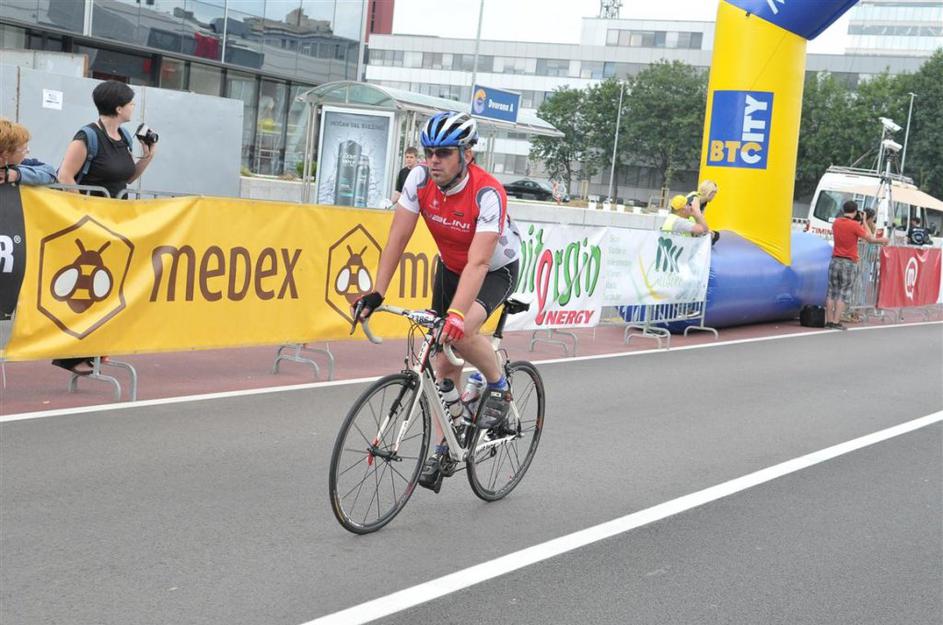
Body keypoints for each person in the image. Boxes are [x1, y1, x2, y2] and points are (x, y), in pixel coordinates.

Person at [352, 112, 522, 490]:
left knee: (461, 332)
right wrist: (378, 292)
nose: (433, 160)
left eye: (443, 153)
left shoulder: (487, 193)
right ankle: (449, 442)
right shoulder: (418, 180)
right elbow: (397, 239)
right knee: (440, 361)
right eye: (429, 152)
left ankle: (498, 386)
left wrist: (458, 315)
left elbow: (479, 263)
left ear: (466, 155)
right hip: (450, 267)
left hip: (495, 269)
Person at [58, 80, 156, 198]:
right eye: (131, 103)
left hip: (117, 209)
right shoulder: (87, 137)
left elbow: (127, 178)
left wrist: (148, 155)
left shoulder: (124, 136)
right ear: (119, 109)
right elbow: (64, 177)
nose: (133, 106)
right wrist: (83, 205)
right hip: (90, 209)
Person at [825, 200, 888, 330]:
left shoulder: (836, 223)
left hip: (835, 260)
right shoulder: (854, 225)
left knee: (831, 292)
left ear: (844, 210)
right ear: (855, 211)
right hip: (848, 262)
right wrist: (865, 221)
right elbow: (870, 238)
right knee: (843, 292)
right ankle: (836, 321)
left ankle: (829, 320)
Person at [0, 118, 57, 186]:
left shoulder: (20, 163)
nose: (28, 151)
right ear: (6, 153)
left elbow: (50, 172)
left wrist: (17, 175)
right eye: (24, 149)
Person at [684, 180, 720, 244]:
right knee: (710, 235)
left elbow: (702, 218)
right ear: (710, 192)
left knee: (715, 235)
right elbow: (698, 217)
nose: (714, 196)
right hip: (684, 228)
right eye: (714, 193)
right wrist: (707, 231)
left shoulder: (703, 201)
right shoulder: (695, 199)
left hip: (690, 225)